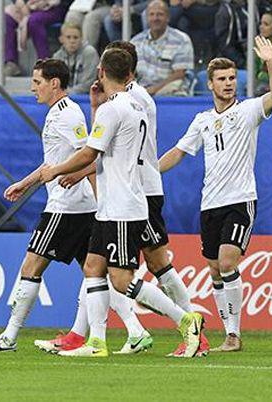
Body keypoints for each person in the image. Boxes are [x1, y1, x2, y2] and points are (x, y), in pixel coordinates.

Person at [38, 40, 209, 357]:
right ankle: (96, 342)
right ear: (129, 72)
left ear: (101, 71)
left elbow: (91, 151)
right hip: (115, 203)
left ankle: (186, 319)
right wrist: (93, 111)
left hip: (122, 204)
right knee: (92, 267)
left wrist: (56, 170)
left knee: (121, 279)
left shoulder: (115, 108)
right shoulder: (131, 104)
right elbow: (108, 151)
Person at [159, 37, 272, 352]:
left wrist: (270, 62)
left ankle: (234, 335)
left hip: (240, 200)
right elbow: (178, 152)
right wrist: (147, 172)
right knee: (215, 269)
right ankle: (229, 334)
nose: (229, 84)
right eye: (222, 79)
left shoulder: (248, 112)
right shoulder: (202, 121)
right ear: (210, 84)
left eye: (232, 78)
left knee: (228, 262)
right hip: (209, 203)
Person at [0, 59, 97, 352]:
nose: (32, 87)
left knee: (32, 264)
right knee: (97, 274)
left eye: (37, 81)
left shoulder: (68, 115)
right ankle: (140, 327)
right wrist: (25, 183)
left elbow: (88, 155)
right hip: (78, 206)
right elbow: (52, 163)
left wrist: (72, 176)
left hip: (67, 206)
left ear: (55, 83)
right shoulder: (58, 113)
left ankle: (9, 337)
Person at [130, 0, 195, 96]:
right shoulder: (135, 42)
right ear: (147, 18)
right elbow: (130, 72)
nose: (155, 18)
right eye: (151, 14)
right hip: (141, 92)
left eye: (160, 14)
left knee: (176, 85)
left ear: (168, 18)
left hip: (169, 90)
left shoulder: (181, 39)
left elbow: (179, 74)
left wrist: (153, 90)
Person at [3, 0, 70, 76]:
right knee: (8, 18)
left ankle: (45, 64)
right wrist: (21, 4)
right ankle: (11, 62)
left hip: (54, 7)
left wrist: (46, 2)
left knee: (34, 21)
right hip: (28, 6)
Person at [52, 22, 99, 94]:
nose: (72, 41)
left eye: (75, 37)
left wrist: (68, 92)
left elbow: (89, 83)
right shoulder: (57, 57)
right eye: (68, 37)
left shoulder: (90, 53)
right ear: (61, 39)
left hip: (86, 97)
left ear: (81, 39)